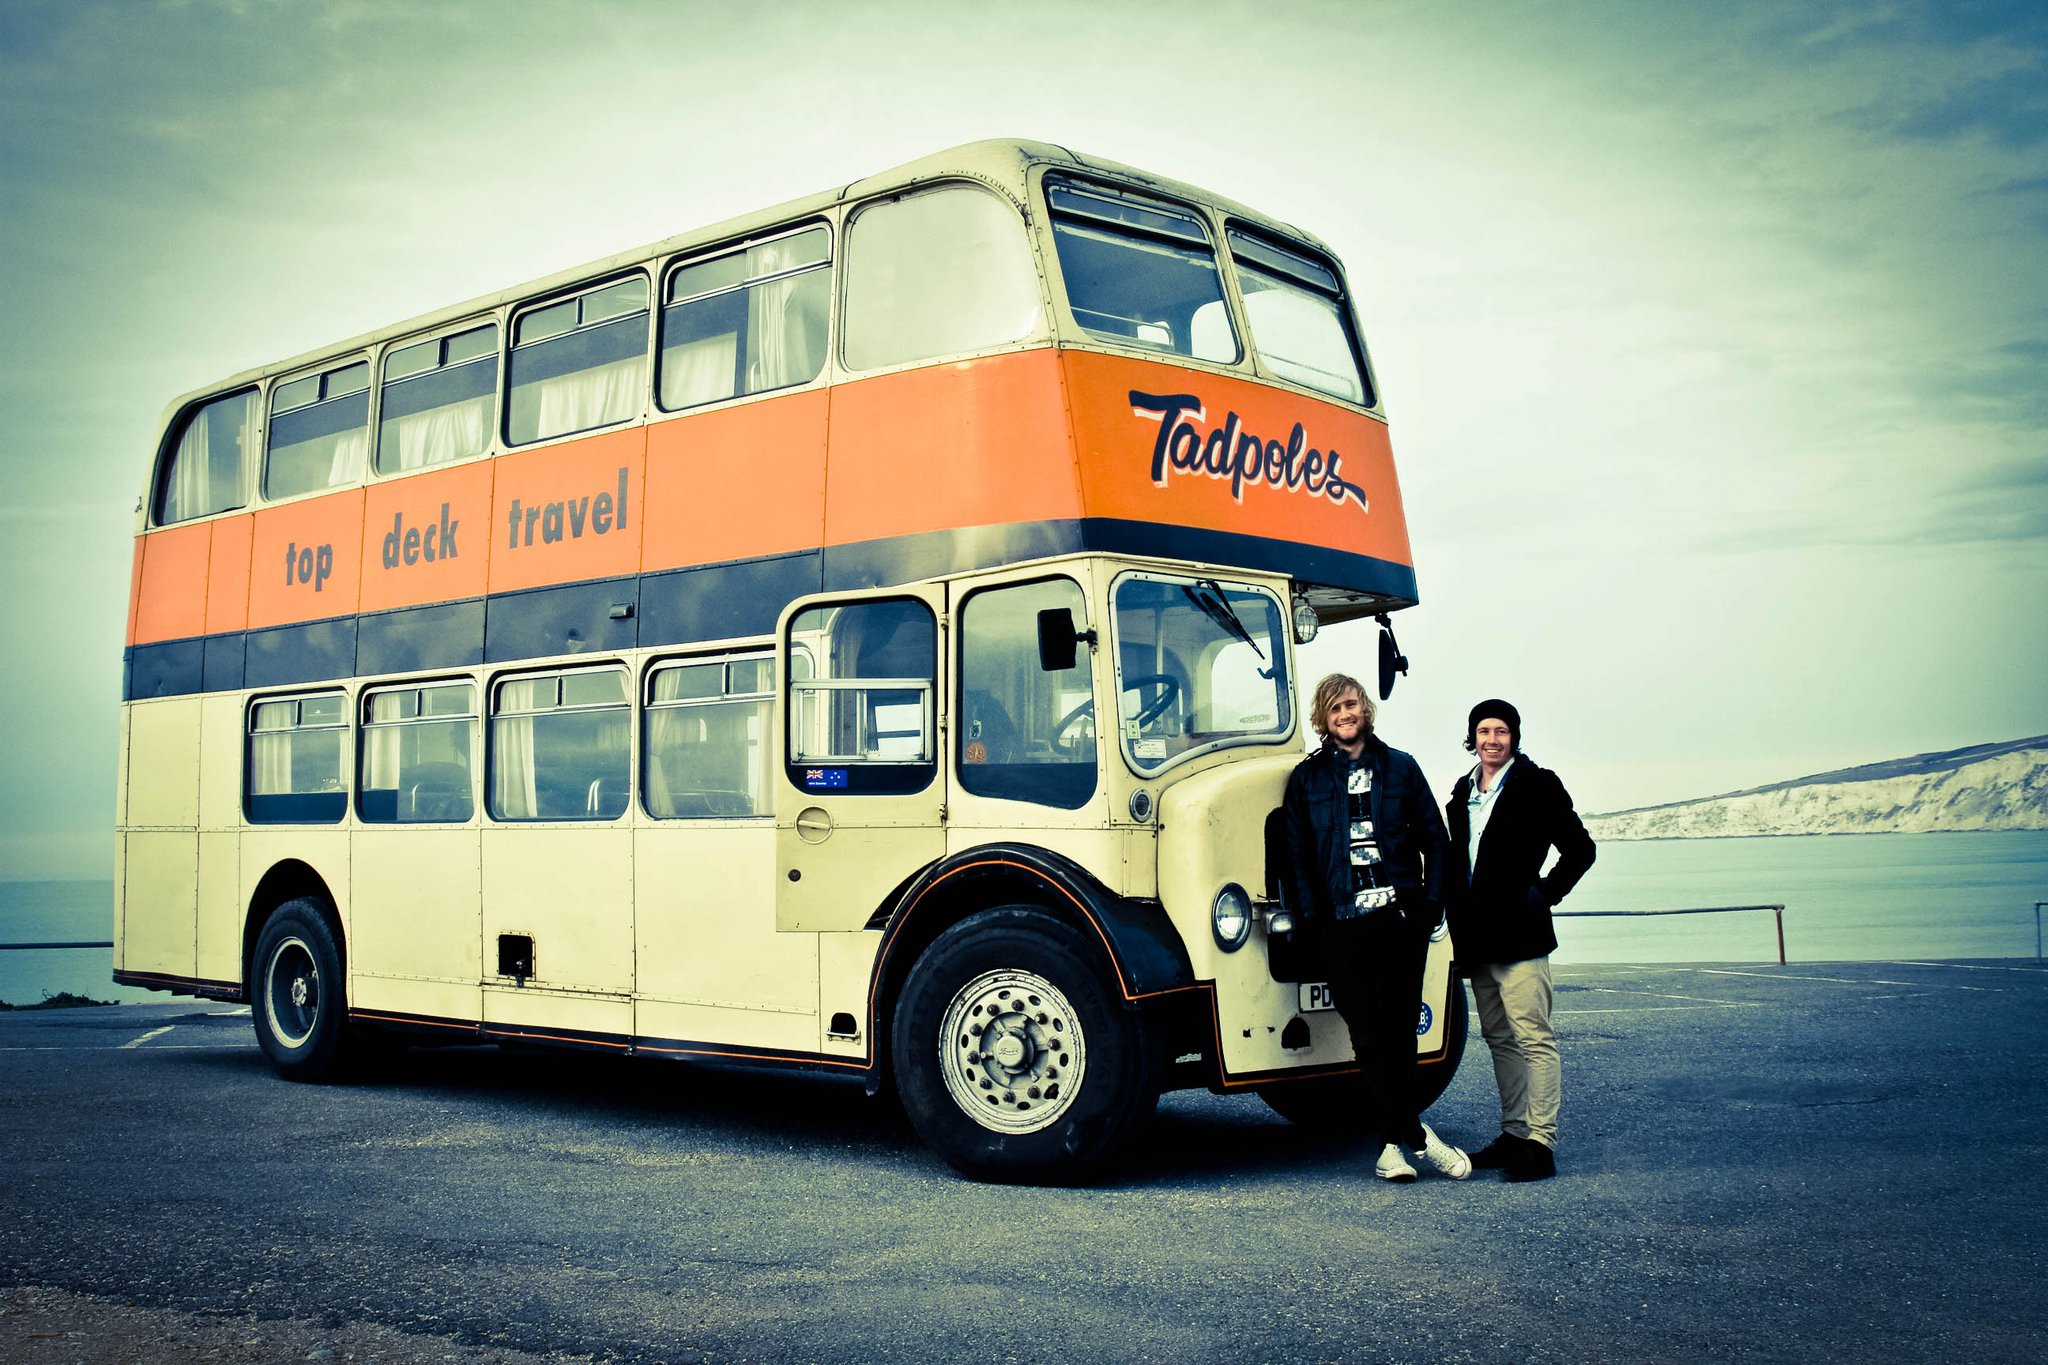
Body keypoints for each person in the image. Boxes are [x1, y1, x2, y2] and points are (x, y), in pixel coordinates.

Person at [1281, 673, 1470, 1182]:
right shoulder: (1308, 780)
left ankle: (1393, 1147)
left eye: (1352, 705)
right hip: (1341, 926)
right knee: (1366, 1031)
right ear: (1324, 718)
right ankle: (1415, 1136)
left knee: (1400, 1031)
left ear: (1365, 710)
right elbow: (1296, 858)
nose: (1346, 715)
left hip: (1399, 920)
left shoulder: (1402, 769)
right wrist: (1313, 921)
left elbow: (1438, 841)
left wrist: (1430, 907)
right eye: (1335, 708)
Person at [1445, 699, 1596, 1182]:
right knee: (1498, 1038)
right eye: (1484, 730)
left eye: (1502, 731)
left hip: (1521, 935)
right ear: (1473, 736)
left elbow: (1580, 849)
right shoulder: (1461, 792)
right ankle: (1514, 1134)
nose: (1492, 739)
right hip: (1476, 938)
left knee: (1534, 1037)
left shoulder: (1537, 784)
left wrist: (1543, 894)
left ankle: (1541, 1143)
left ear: (1514, 737)